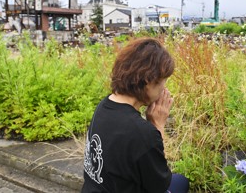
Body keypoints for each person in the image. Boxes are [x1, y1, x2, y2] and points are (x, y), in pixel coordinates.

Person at [81, 37, 189, 193]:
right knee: (180, 183)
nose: (164, 88)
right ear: (148, 81)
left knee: (179, 181)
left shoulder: (103, 106)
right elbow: (160, 185)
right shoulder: (143, 132)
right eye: (163, 81)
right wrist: (157, 125)